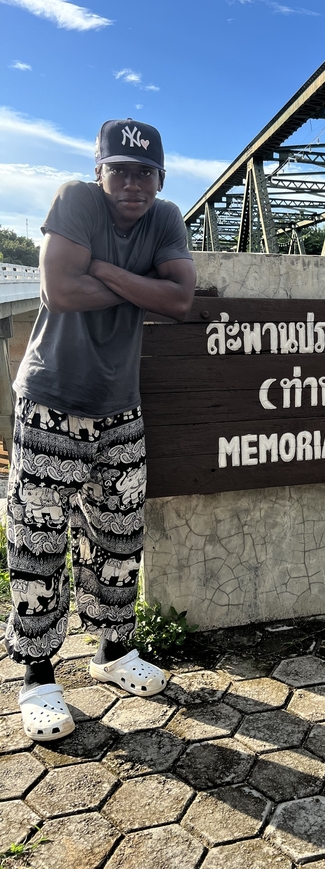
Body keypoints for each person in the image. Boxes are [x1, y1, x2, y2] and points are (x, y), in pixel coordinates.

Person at [4, 118, 196, 741]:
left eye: (144, 172)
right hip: (51, 401)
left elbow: (180, 302)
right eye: (119, 170)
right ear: (99, 173)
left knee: (119, 536)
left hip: (121, 407)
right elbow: (59, 289)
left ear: (160, 177)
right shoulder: (74, 198)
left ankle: (112, 653)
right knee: (39, 542)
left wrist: (106, 273)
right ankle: (36, 675)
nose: (132, 184)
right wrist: (141, 285)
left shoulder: (164, 217)